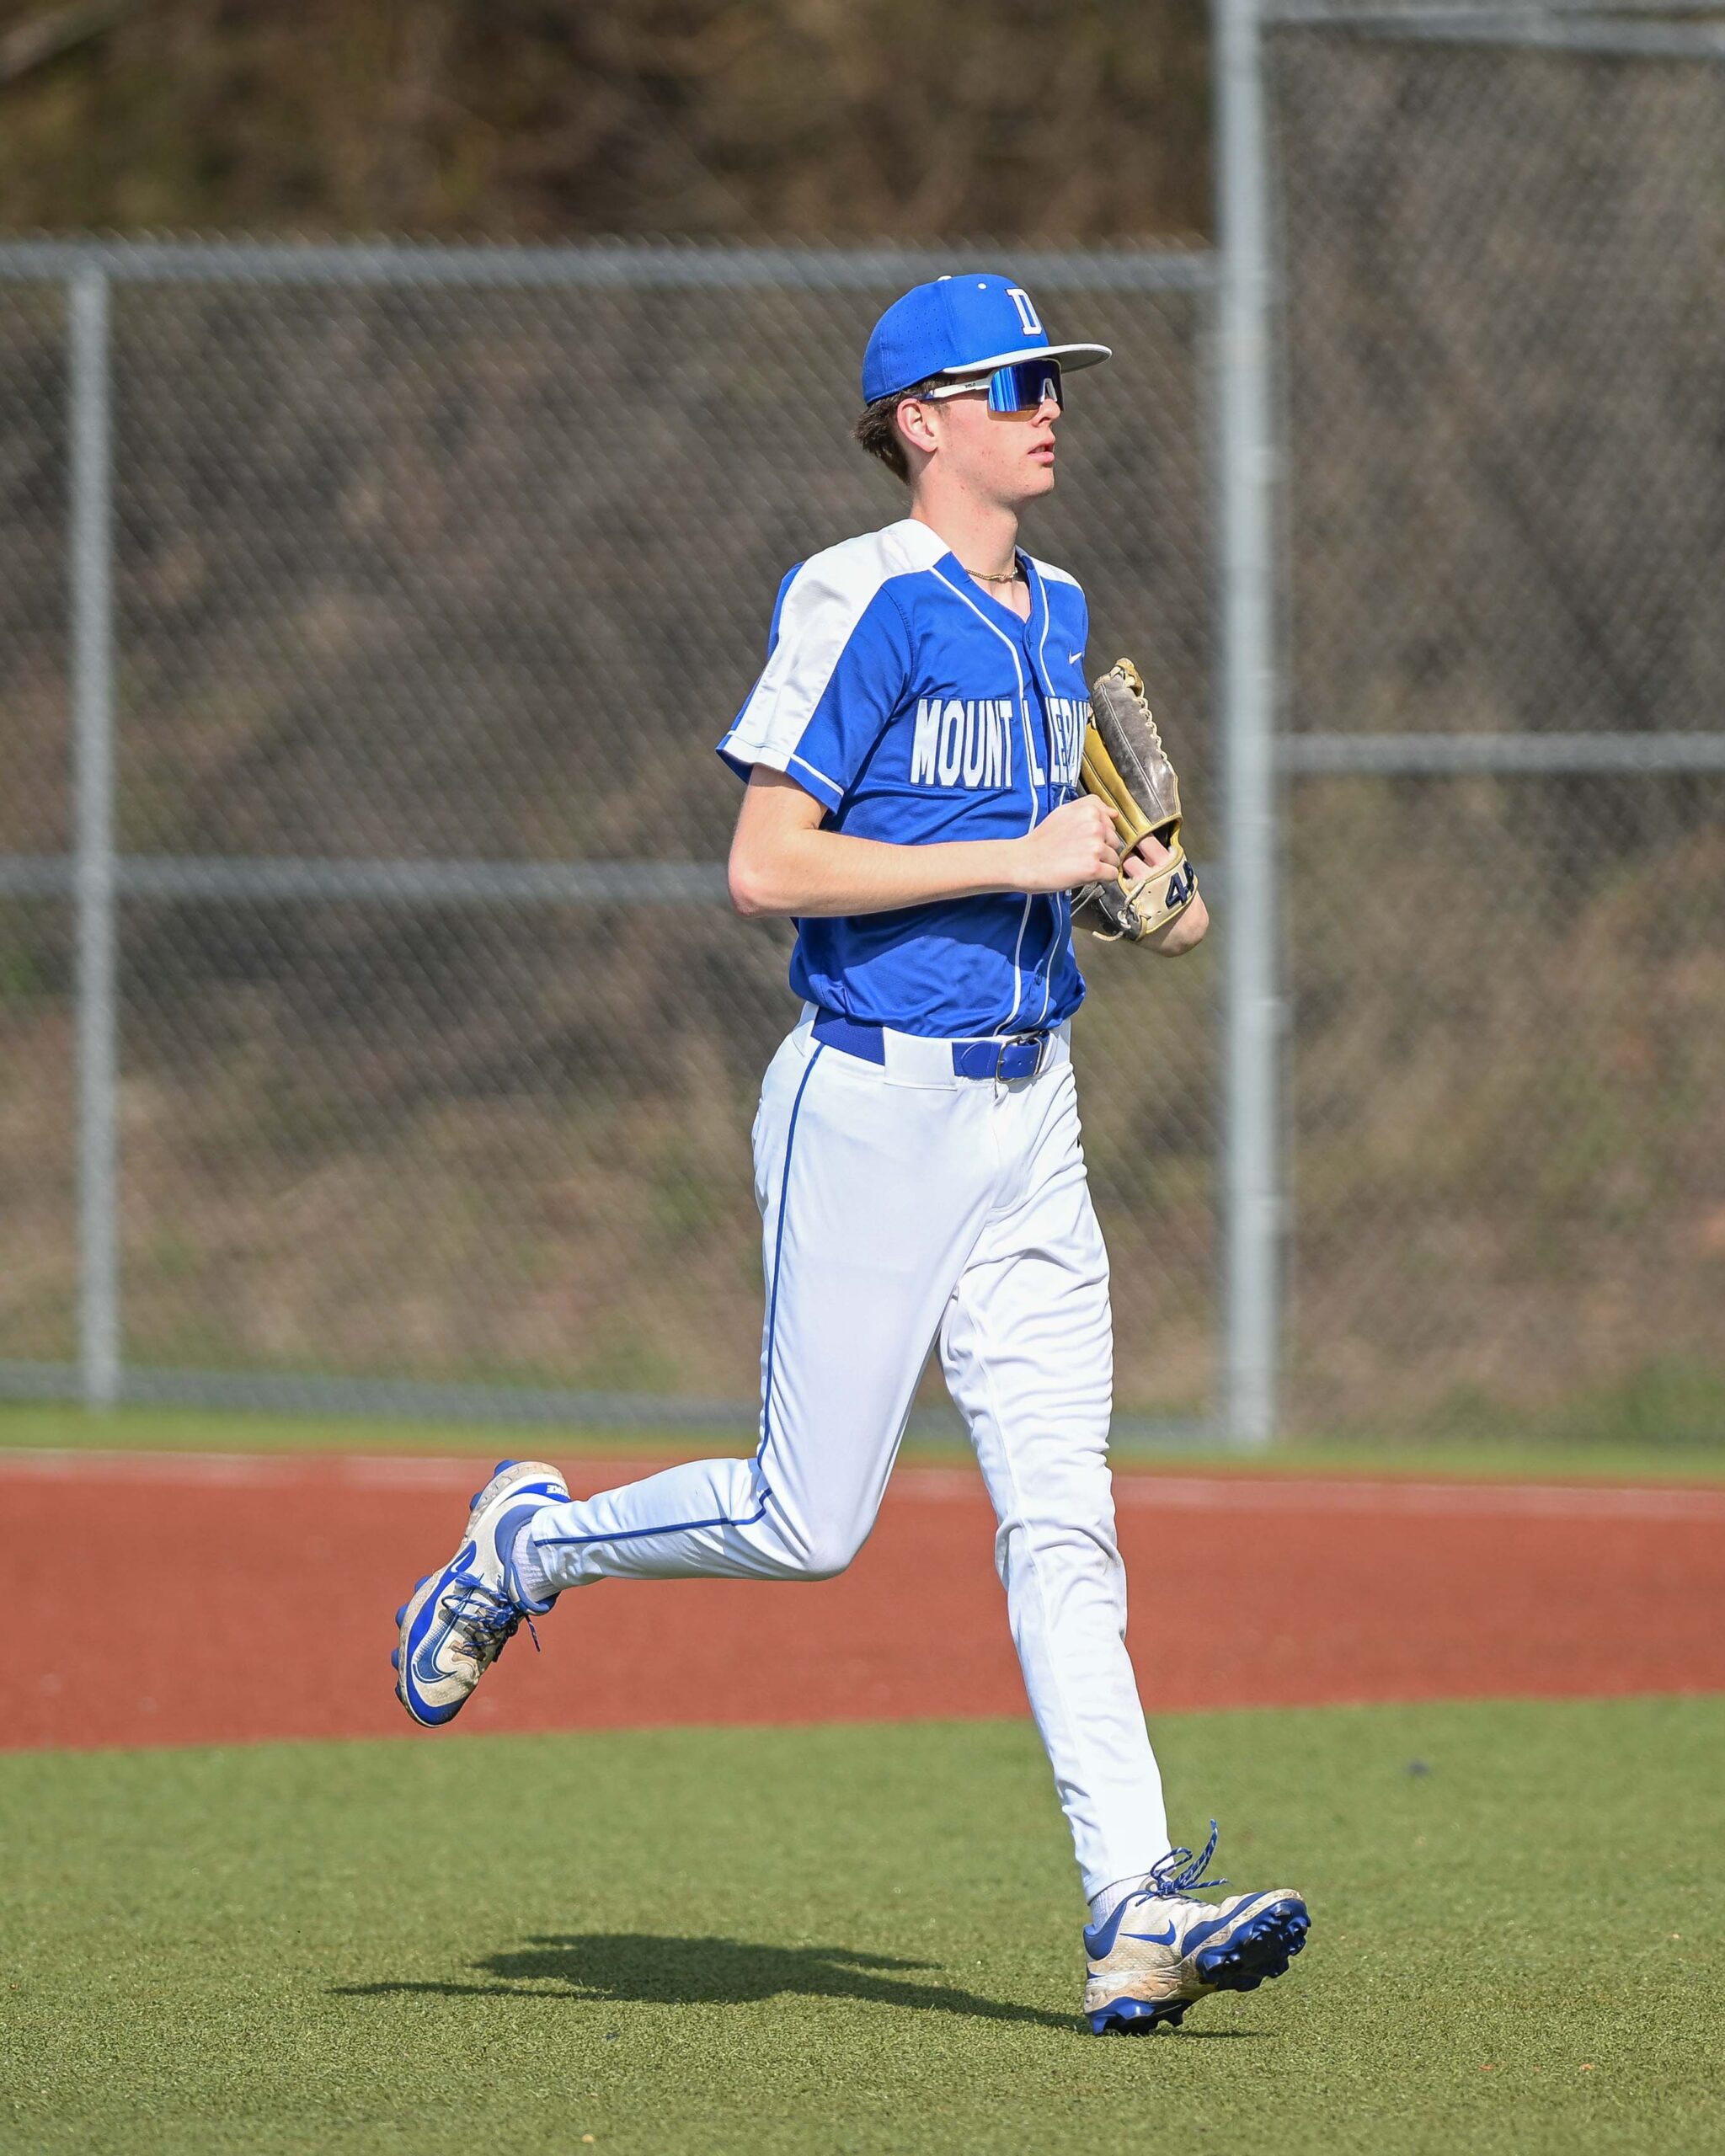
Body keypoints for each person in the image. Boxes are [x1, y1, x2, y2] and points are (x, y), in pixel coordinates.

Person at [392, 273, 1310, 2035]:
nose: (1050, 404)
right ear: (920, 419)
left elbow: (1064, 865)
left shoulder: (1056, 612)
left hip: (1031, 1113)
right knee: (809, 1521)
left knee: (1066, 1519)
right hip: (874, 1104)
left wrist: (1138, 896)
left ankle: (1135, 1908)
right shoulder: (859, 592)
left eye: (1053, 379)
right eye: (1012, 383)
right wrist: (1019, 862)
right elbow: (768, 864)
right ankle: (528, 1549)